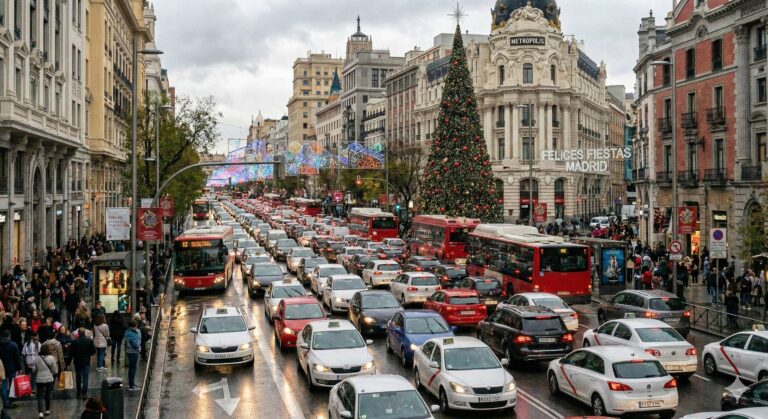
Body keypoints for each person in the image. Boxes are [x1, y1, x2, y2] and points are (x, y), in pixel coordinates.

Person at [70, 327, 95, 400]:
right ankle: (84, 393)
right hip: (86, 361)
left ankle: (78, 392)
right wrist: (88, 354)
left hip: (77, 361)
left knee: (78, 377)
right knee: (85, 377)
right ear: (84, 333)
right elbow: (93, 351)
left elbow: (71, 353)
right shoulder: (89, 341)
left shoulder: (74, 341)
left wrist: (68, 362)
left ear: (78, 333)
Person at [34, 345, 58, 418]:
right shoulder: (51, 358)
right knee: (47, 394)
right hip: (49, 379)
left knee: (40, 396)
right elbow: (54, 369)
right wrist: (52, 373)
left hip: (39, 379)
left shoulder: (37, 358)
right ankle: (47, 410)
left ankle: (40, 413)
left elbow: (34, 370)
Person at [0, 330, 20, 409]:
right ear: (9, 335)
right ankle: (11, 399)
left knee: (4, 385)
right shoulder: (13, 345)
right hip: (12, 367)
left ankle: (5, 402)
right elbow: (17, 357)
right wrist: (19, 368)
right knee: (13, 385)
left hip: (1, 368)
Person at [124, 320, 141, 391]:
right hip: (133, 352)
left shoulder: (127, 331)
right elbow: (134, 344)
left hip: (129, 351)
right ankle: (131, 385)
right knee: (133, 368)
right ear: (135, 326)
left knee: (131, 368)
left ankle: (132, 383)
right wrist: (138, 348)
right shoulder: (132, 333)